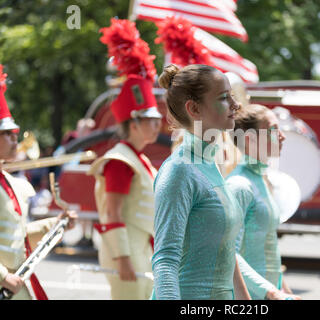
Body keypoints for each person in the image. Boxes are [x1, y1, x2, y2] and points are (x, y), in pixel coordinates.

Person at [151, 64, 251, 300]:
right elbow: (165, 261)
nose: (236, 105)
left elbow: (226, 249)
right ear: (194, 108)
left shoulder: (210, 162)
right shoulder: (179, 170)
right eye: (224, 98)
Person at [87, 18, 163, 300]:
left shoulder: (139, 159)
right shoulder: (121, 160)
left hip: (142, 247)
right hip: (127, 251)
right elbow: (112, 213)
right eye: (150, 120)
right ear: (133, 123)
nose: (158, 125)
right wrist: (122, 258)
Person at [0, 64, 77, 300]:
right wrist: (3, 277)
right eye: (8, 134)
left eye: (16, 135)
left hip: (16, 284)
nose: (15, 140)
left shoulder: (8, 180)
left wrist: (55, 224)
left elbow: (15, 236)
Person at [226, 103, 301, 300]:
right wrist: (270, 292)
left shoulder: (261, 178)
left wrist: (284, 289)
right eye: (273, 130)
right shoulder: (238, 185)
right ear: (250, 139)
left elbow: (270, 245)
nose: (282, 136)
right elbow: (228, 254)